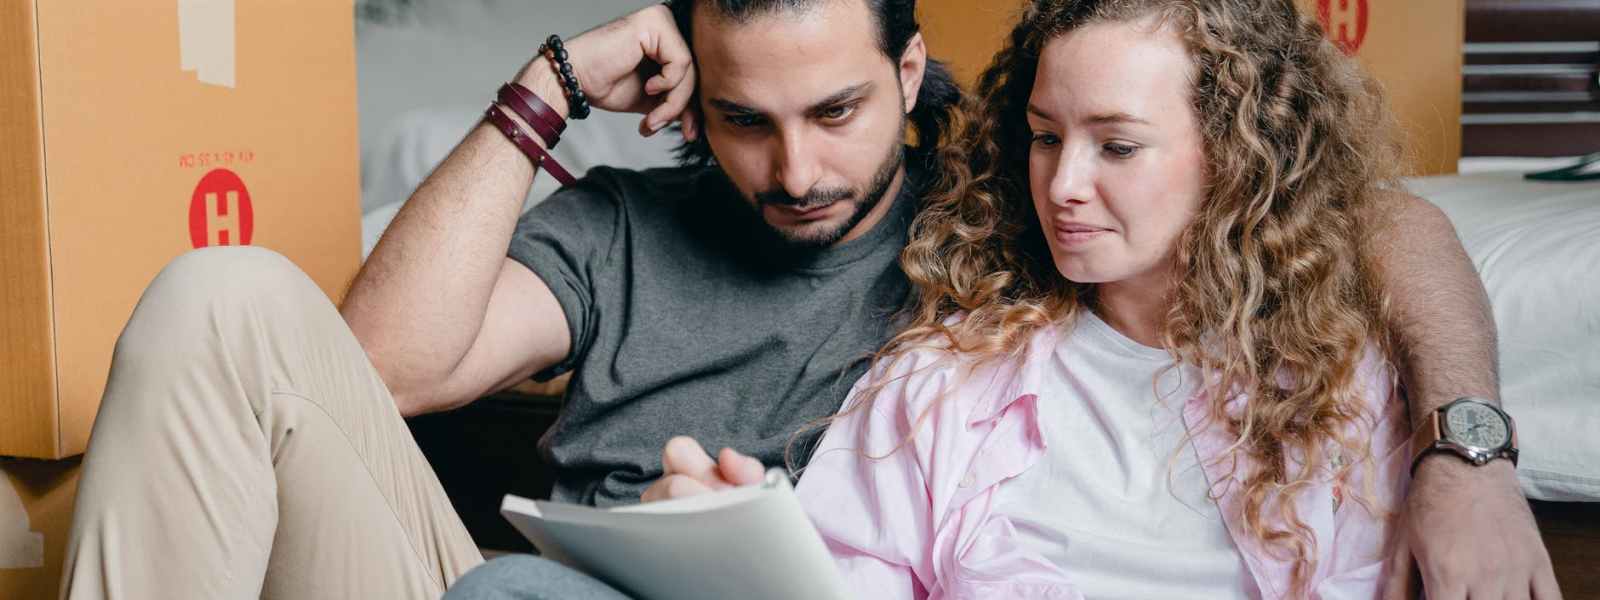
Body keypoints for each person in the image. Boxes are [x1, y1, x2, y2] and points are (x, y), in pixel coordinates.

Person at [57, 0, 1549, 599]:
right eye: (743, 120)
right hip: (539, 587)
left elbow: (1369, 213)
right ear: (688, 101)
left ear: (912, 76)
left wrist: (1471, 450)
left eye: (838, 111)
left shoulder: (1009, 195)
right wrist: (547, 92)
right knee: (222, 298)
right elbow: (371, 370)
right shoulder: (637, 222)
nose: (796, 170)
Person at [792, 0, 1562, 597]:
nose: (1062, 187)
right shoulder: (936, 389)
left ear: (1237, 155)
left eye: (1118, 146)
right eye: (1046, 136)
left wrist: (1470, 460)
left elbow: (1403, 221)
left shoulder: (1350, 392)